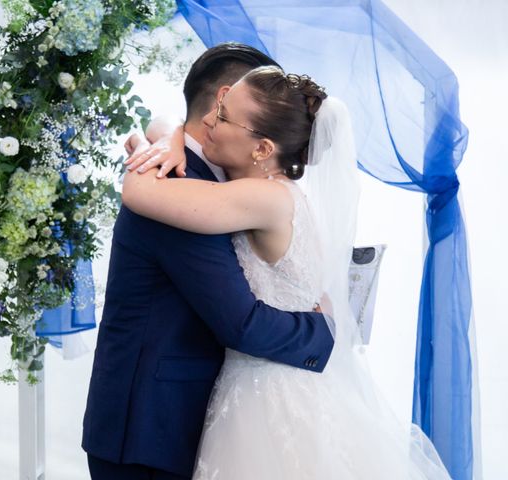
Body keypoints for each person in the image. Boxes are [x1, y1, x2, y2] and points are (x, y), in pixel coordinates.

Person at [122, 66, 452, 479]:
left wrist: (148, 148)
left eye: (222, 116)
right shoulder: (279, 192)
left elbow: (137, 191)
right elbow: (167, 121)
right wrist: (169, 133)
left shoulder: (262, 198)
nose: (208, 118)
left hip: (269, 392)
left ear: (261, 149)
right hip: (282, 376)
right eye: (219, 104)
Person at [81, 44, 336, 480]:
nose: (216, 119)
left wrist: (164, 132)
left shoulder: (234, 189)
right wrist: (326, 332)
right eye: (221, 107)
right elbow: (239, 323)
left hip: (213, 416)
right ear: (220, 95)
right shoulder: (176, 181)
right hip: (150, 431)